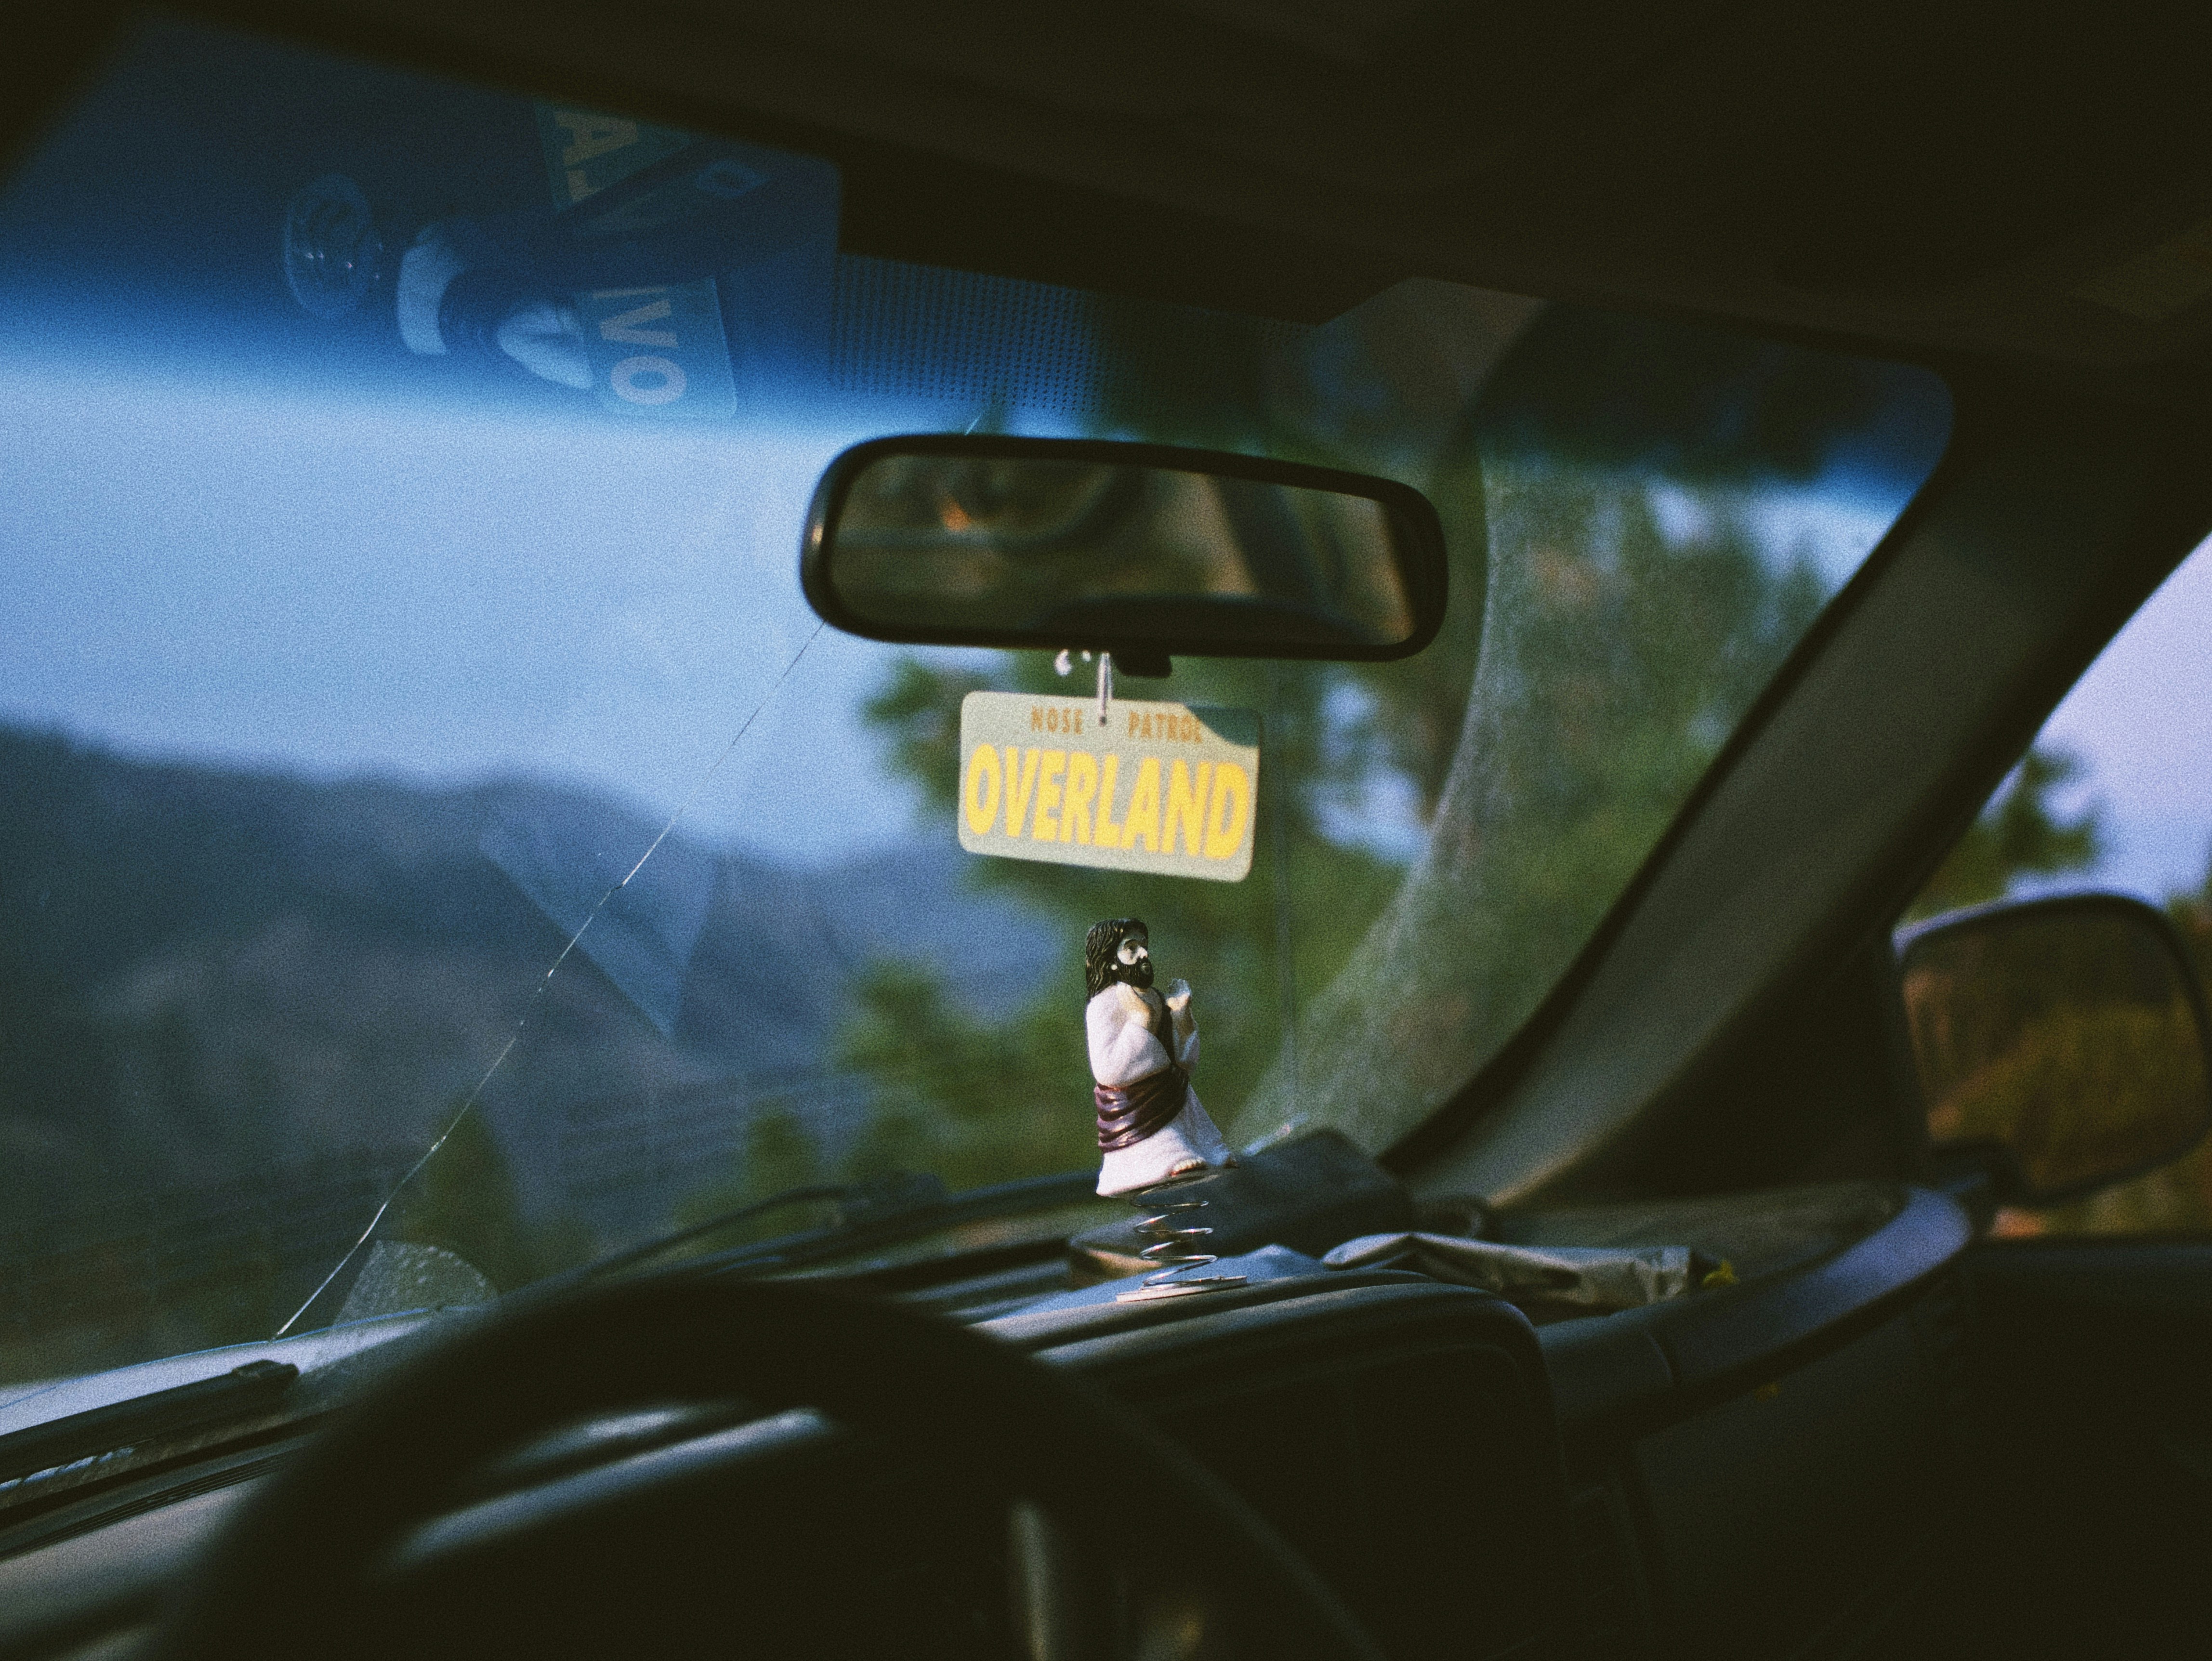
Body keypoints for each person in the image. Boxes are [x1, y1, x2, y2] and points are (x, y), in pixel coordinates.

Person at [1085, 917, 1236, 1197]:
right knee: (1168, 1147)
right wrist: (1141, 1020)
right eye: (1131, 948)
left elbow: (1182, 1063)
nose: (1143, 954)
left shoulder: (1154, 996)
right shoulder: (1102, 1006)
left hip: (1171, 1092)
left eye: (1144, 946)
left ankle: (1200, 1148)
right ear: (1110, 961)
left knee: (1184, 1098)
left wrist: (1181, 1016)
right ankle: (1164, 1154)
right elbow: (1107, 1069)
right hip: (1135, 1106)